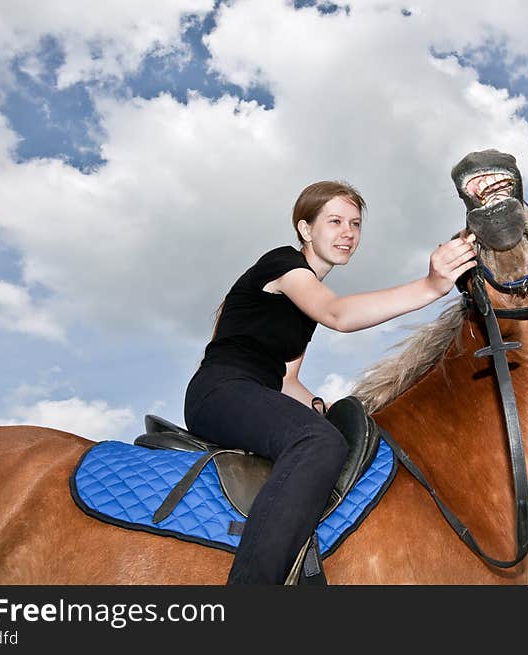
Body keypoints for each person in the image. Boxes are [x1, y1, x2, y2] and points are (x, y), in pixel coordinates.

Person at [184, 180, 477, 584]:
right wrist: (431, 286)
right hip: (221, 390)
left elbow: (287, 380)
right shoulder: (283, 264)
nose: (348, 233)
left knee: (339, 436)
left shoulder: (304, 307)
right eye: (335, 221)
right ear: (305, 230)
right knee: (318, 443)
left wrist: (325, 409)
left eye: (355, 224)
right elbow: (338, 314)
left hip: (256, 390)